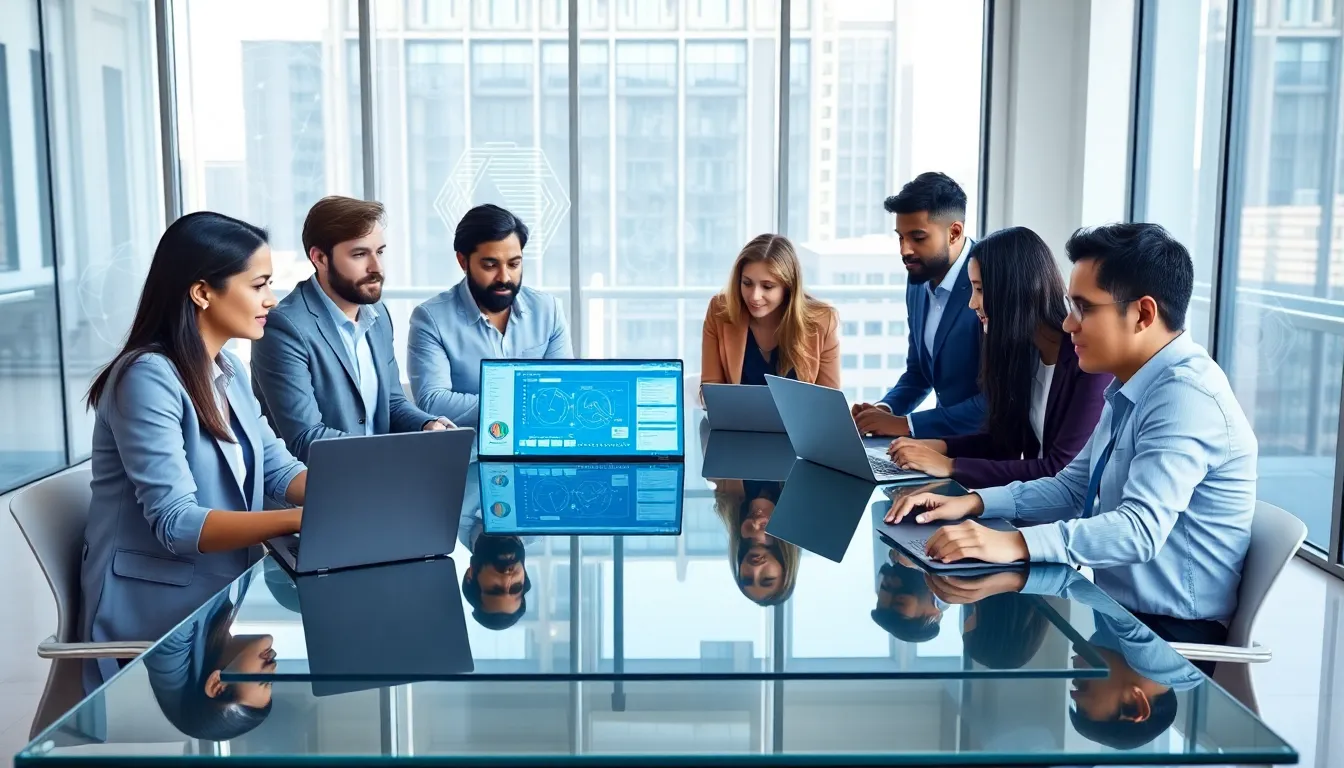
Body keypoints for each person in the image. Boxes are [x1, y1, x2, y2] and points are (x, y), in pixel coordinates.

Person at [885, 223, 1257, 650]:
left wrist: (1011, 542)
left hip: (1169, 637)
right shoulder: (1130, 385)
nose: (1067, 323)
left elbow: (1139, 530)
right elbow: (1071, 487)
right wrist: (972, 502)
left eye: (1083, 308)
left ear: (1143, 314)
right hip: (1117, 614)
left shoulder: (1185, 396)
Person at [80, 212, 307, 693]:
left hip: (215, 602)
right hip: (156, 621)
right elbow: (177, 523)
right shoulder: (147, 377)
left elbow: (278, 470)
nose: (271, 299)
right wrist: (296, 520)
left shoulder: (226, 371)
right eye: (259, 285)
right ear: (203, 292)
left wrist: (358, 489)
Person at [886, 227, 1110, 487]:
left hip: (1062, 508)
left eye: (980, 290)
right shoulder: (1022, 354)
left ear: (1015, 290)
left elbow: (1059, 469)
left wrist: (949, 466)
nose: (972, 303)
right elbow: (1004, 445)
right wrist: (939, 447)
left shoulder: (1087, 363)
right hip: (1028, 501)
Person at [250, 197, 449, 463]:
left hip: (380, 477)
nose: (376, 268)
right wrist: (394, 453)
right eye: (359, 254)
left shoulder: (378, 315)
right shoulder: (283, 327)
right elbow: (306, 438)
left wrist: (428, 426)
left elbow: (391, 403)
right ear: (320, 258)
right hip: (319, 483)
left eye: (379, 252)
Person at [407, 204, 573, 426]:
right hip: (470, 447)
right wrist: (527, 403)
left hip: (537, 441)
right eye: (490, 265)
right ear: (463, 261)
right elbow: (433, 403)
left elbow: (564, 390)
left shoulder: (548, 310)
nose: (504, 277)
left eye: (514, 264)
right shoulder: (430, 319)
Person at [852, 172, 985, 439]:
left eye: (918, 237)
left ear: (954, 232)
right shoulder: (918, 279)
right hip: (941, 443)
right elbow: (920, 374)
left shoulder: (990, 279)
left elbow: (998, 401)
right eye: (901, 237)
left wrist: (906, 425)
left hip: (987, 451)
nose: (905, 250)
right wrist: (884, 411)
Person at [145, 572, 275, 741]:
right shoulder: (222, 609)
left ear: (217, 685)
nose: (273, 667)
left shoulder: (176, 630)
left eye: (264, 681)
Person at [700, 234, 840, 391]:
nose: (754, 296)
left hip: (799, 410)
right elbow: (710, 390)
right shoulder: (720, 311)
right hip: (735, 409)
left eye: (767, 286)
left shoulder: (822, 321)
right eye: (747, 283)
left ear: (788, 286)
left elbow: (829, 399)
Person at [712, 480, 799, 605]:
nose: (755, 568)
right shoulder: (804, 503)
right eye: (767, 579)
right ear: (785, 570)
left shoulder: (727, 498)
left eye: (747, 578)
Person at [869, 547, 944, 643]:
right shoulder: (958, 579)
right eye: (901, 602)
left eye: (886, 586)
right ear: (933, 615)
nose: (892, 578)